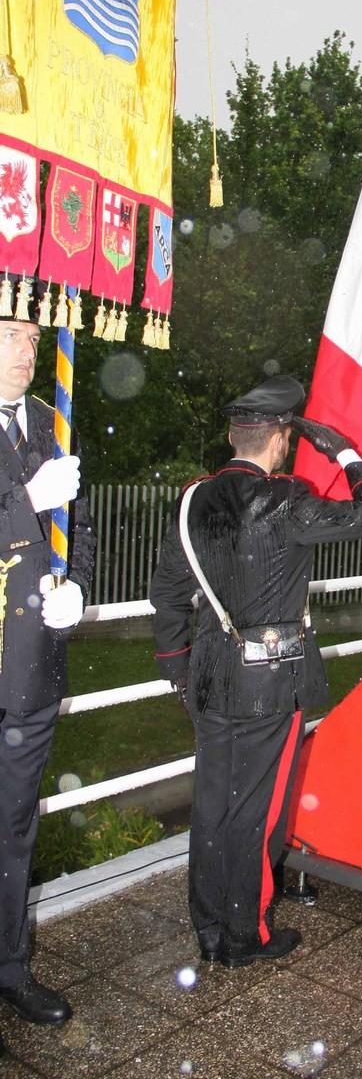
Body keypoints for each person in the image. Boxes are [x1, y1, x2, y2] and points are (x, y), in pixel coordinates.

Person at [150, 377, 362, 968]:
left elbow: (167, 594)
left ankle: (208, 927)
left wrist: (179, 672)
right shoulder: (286, 498)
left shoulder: (193, 499)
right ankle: (245, 933)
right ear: (281, 439)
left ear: (235, 436)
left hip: (209, 678)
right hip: (270, 679)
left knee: (213, 803)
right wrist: (344, 450)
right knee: (255, 809)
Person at [0, 300, 95, 1038]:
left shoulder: (47, 421)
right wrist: (20, 506)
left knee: (13, 830)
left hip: (28, 672)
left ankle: (9, 967)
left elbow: (79, 525)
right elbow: (31, 512)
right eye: (11, 334)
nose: (28, 348)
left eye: (34, 335)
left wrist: (78, 589)